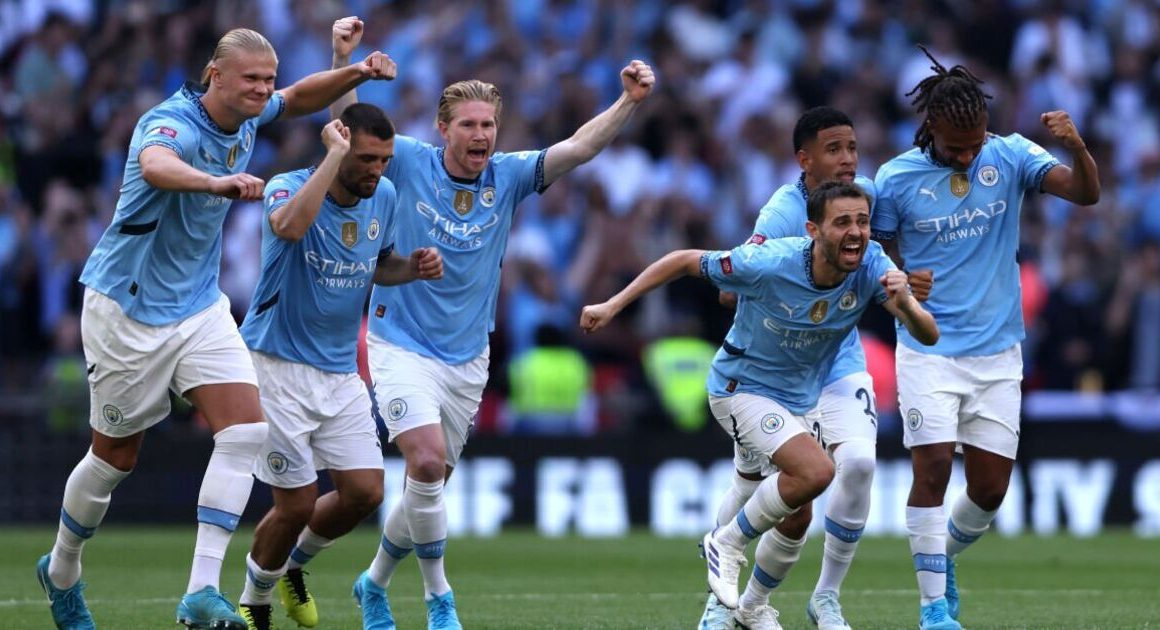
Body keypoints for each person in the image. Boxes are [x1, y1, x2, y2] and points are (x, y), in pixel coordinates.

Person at [269, 16, 652, 630]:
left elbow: (579, 147)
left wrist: (627, 103)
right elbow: (356, 126)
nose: (481, 136)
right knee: (422, 466)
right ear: (442, 128)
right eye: (469, 125)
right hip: (399, 342)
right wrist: (345, 55)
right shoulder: (410, 163)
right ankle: (439, 600)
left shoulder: (509, 175)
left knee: (429, 487)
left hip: (468, 356)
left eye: (489, 126)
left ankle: (352, 579)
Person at [35, 26, 396, 630]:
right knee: (115, 457)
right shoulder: (170, 122)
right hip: (127, 310)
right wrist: (216, 182)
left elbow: (302, 96)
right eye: (250, 79)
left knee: (246, 431)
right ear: (215, 75)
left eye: (266, 78)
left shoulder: (252, 114)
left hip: (201, 307)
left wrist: (355, 71)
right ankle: (63, 568)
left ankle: (201, 591)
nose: (262, 89)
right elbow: (155, 166)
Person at [583, 182, 940, 630]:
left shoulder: (871, 266)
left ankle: (750, 607)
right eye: (842, 222)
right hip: (740, 388)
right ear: (813, 229)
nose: (856, 232)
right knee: (816, 472)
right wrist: (612, 305)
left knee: (797, 515)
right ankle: (726, 543)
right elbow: (683, 261)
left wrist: (905, 300)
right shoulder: (770, 261)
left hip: (799, 400)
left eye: (863, 222)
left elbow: (929, 335)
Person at [872, 46, 1099, 630]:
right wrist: (898, 277)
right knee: (931, 474)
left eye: (976, 143)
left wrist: (1075, 144)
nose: (969, 155)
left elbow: (1084, 193)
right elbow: (869, 254)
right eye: (956, 147)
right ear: (930, 128)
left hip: (999, 351)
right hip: (928, 348)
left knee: (992, 491)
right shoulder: (895, 179)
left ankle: (939, 560)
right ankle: (931, 612)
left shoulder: (1012, 155)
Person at [703, 106, 933, 630]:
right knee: (774, 486)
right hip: (777, 364)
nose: (849, 160)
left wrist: (906, 287)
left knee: (859, 465)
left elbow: (884, 248)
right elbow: (725, 290)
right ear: (804, 160)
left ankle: (824, 597)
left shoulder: (866, 195)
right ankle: (723, 605)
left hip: (839, 356)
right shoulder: (781, 214)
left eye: (852, 148)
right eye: (835, 149)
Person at [234, 103, 444, 630]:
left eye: (385, 160)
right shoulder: (289, 187)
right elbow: (287, 226)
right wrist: (331, 158)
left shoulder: (386, 197)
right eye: (367, 158)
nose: (378, 170)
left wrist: (412, 269)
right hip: (276, 366)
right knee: (297, 504)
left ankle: (290, 567)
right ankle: (252, 600)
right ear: (340, 145)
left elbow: (378, 266)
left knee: (366, 493)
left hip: (338, 370)